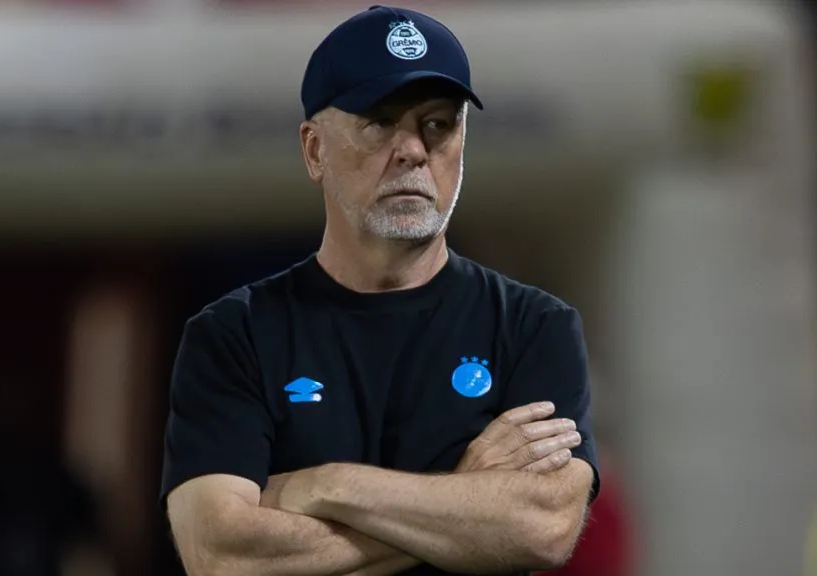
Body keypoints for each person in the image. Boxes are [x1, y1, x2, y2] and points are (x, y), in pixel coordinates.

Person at [160, 6, 599, 575]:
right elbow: (221, 553)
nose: (414, 150)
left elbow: (543, 527)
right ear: (315, 149)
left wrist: (327, 485)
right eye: (378, 122)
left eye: (439, 124)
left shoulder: (533, 325)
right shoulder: (233, 335)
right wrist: (466, 496)